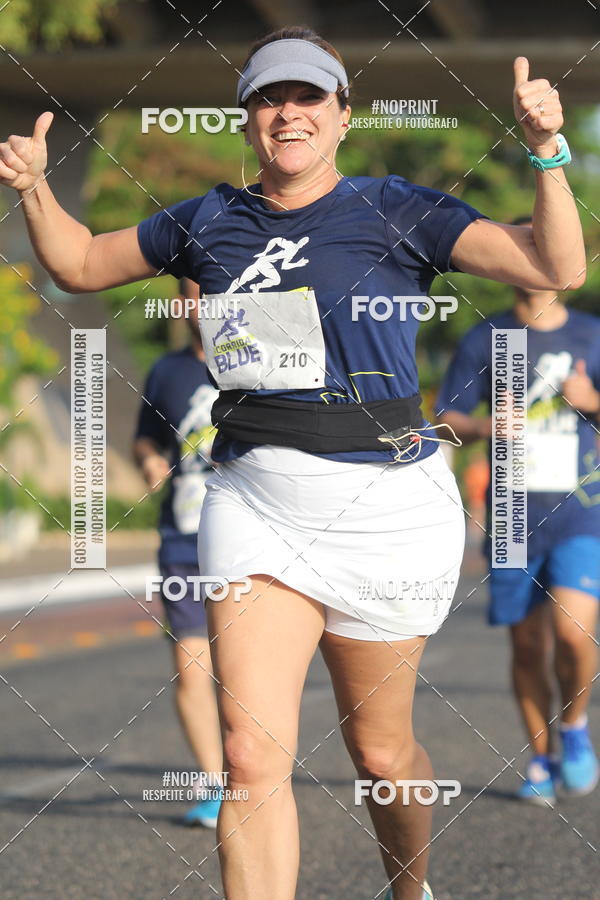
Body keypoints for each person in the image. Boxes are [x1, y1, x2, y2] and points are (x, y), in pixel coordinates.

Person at [1, 22, 585, 900]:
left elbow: (555, 263)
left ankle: (409, 884)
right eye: (268, 97)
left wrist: (547, 152)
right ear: (247, 121)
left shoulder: (399, 208)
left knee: (382, 754)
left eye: (308, 95)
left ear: (342, 116)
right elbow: (81, 263)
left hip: (382, 508)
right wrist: (37, 189)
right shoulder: (209, 221)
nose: (288, 112)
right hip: (253, 499)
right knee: (249, 754)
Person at [437, 217, 600, 805]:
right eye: (523, 244)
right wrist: (485, 425)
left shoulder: (591, 336)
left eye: (544, 242)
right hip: (509, 512)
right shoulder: (487, 339)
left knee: (574, 631)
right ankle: (539, 759)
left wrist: (592, 403)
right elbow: (444, 420)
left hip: (581, 509)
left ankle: (575, 726)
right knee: (528, 647)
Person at [133, 277, 223, 826]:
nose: (200, 303)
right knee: (193, 669)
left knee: (243, 672)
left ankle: (256, 771)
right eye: (191, 292)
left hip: (254, 538)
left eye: (209, 290)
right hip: (182, 539)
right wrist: (147, 458)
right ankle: (217, 785)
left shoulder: (271, 361)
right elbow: (145, 436)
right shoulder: (167, 371)